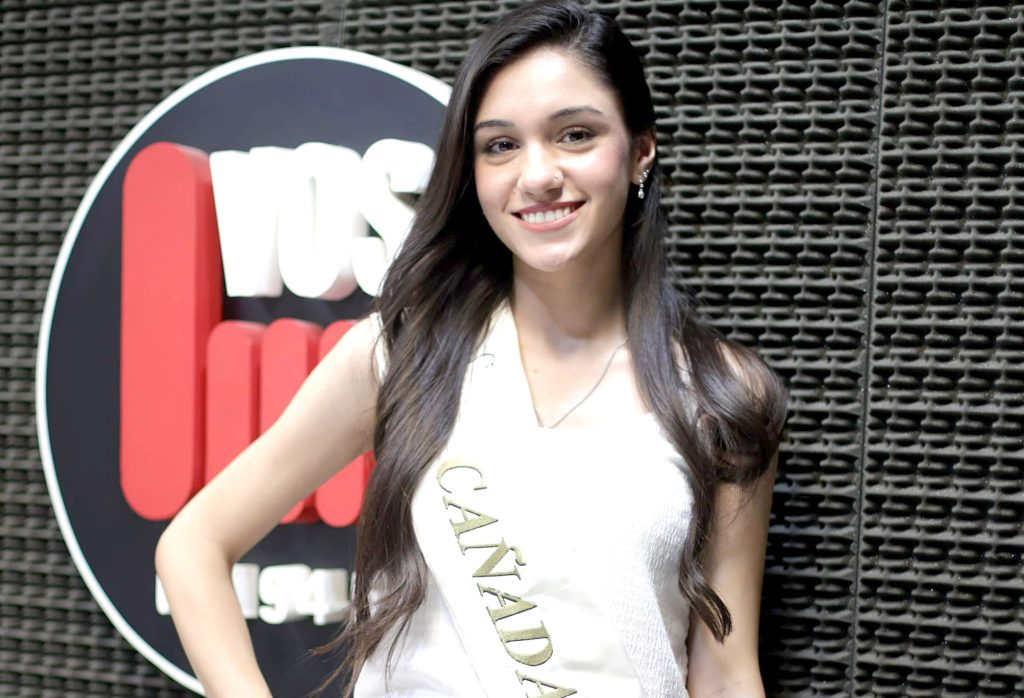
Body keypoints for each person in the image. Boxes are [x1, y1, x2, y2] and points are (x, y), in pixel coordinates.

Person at [155, 1, 789, 696]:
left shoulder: (720, 396)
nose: (537, 174)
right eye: (501, 145)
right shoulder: (405, 357)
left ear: (640, 150)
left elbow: (726, 674)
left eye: (575, 135)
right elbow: (193, 545)